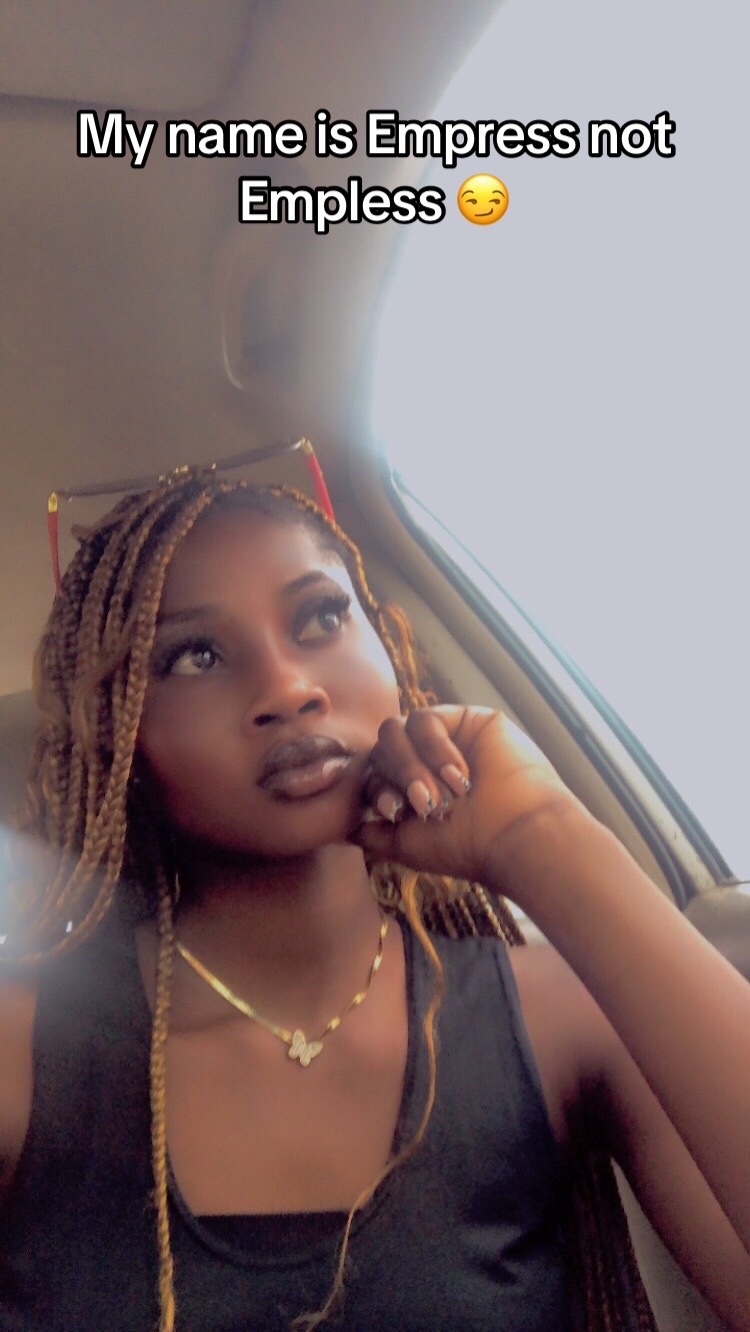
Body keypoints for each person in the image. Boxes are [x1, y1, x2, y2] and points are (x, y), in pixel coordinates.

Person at [0, 473, 748, 1332]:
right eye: (194, 656)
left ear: (389, 649)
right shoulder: (26, 1052)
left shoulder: (558, 1018)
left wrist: (544, 838)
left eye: (321, 617)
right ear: (118, 736)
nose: (288, 688)